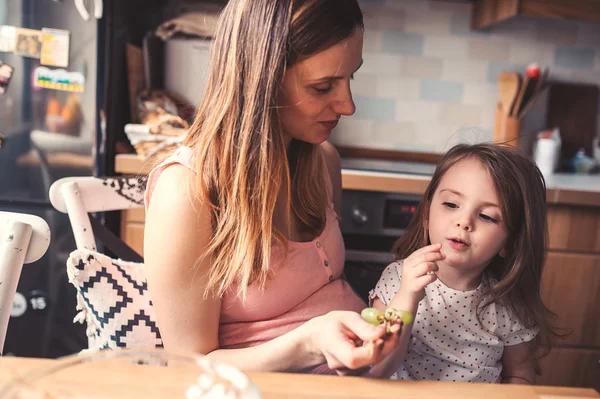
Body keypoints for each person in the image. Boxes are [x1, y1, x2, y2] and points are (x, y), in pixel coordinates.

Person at [143, 0, 401, 374]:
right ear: (262, 80)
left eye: (350, 78)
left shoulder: (322, 162)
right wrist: (309, 343)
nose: (347, 105)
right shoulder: (186, 192)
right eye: (323, 86)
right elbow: (188, 368)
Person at [368, 143, 560, 383]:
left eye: (487, 216)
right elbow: (377, 369)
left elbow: (519, 375)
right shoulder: (396, 279)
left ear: (508, 243)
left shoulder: (507, 303)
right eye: (451, 205)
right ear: (427, 214)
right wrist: (406, 296)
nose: (464, 221)